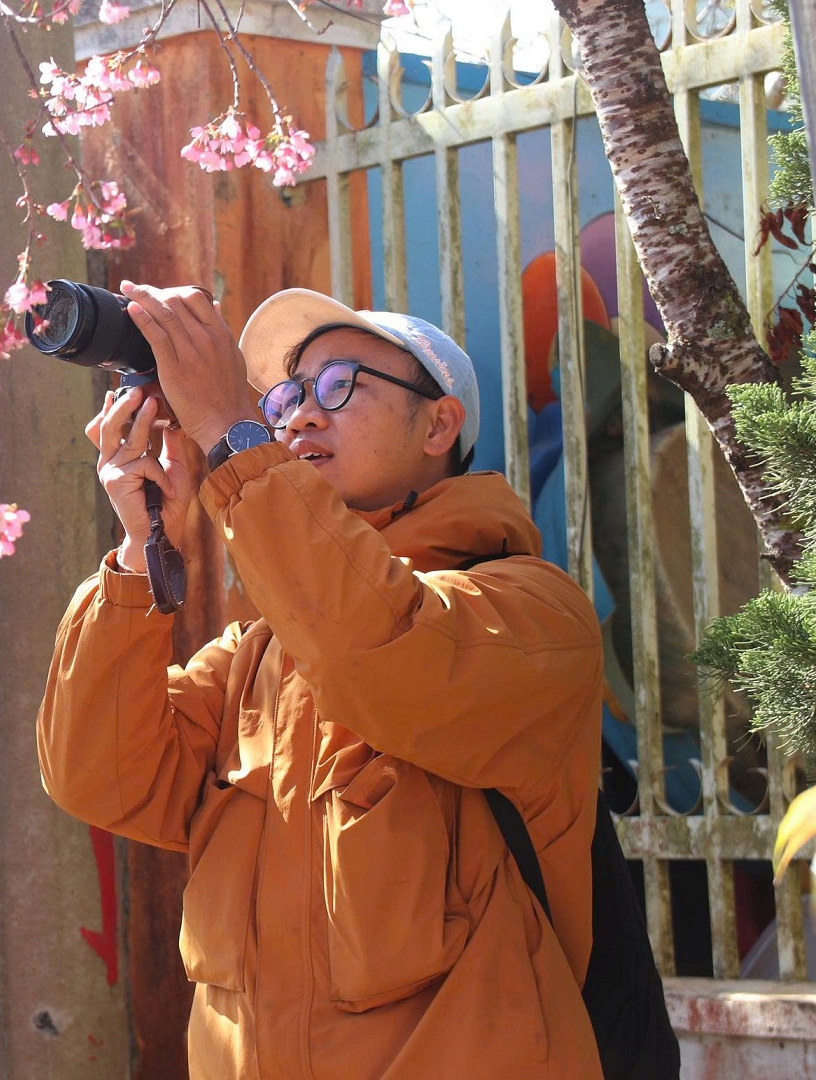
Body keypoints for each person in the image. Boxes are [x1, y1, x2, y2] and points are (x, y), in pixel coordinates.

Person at [37, 283, 606, 1079]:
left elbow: (380, 647)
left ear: (438, 424)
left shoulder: (531, 612)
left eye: (340, 385)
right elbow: (98, 775)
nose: (300, 415)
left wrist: (232, 433)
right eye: (284, 398)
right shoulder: (256, 658)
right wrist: (141, 548)